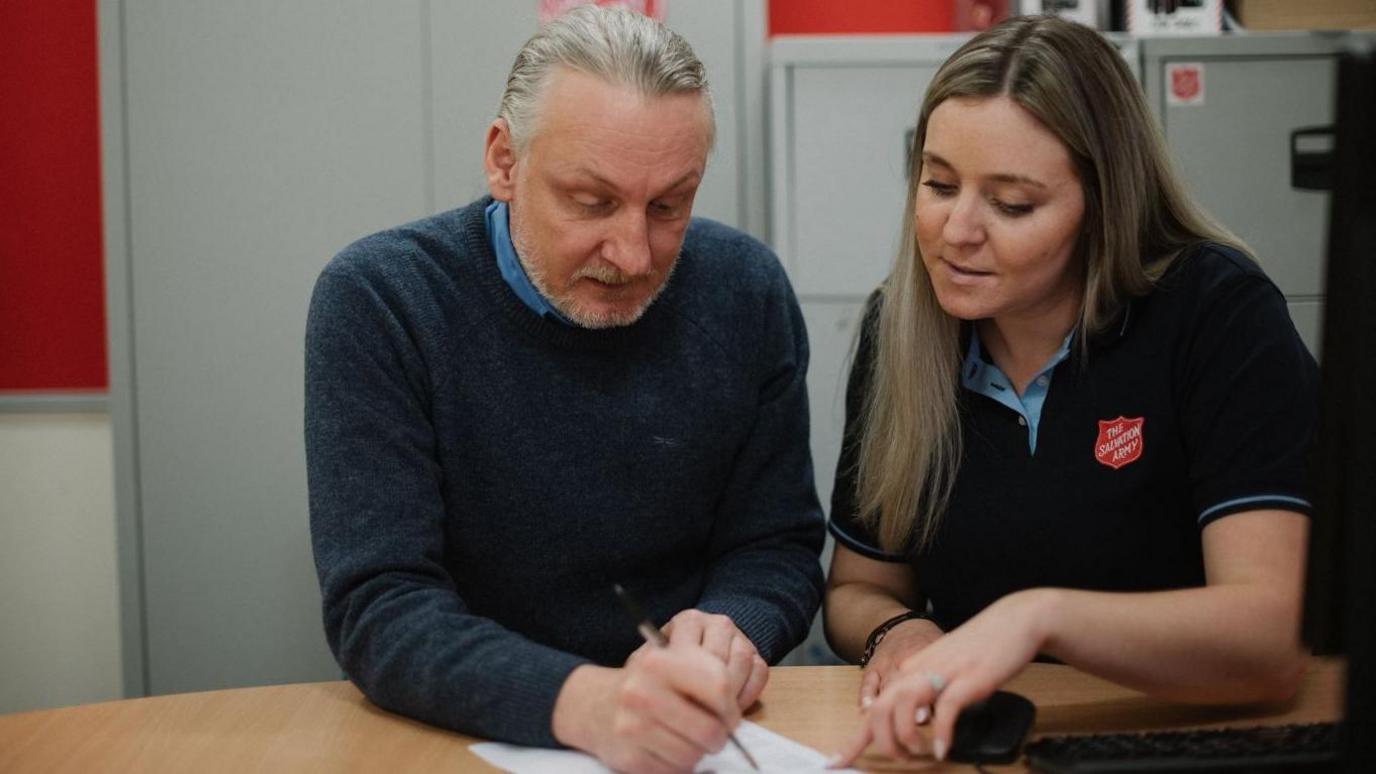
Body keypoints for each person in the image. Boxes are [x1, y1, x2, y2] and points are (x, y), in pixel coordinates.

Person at [303, 6, 824, 772]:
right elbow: (380, 603)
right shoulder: (384, 300)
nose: (634, 252)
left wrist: (733, 625)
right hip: (465, 735)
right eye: (592, 201)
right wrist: (588, 702)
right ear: (503, 161)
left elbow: (776, 543)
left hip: (700, 729)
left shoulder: (745, 290)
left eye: (670, 205)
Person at [824, 15, 1317, 767]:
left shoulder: (1218, 314)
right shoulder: (901, 328)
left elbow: (1270, 638)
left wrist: (1039, 619)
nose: (957, 230)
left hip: (1187, 739)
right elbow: (858, 589)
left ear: (1104, 204)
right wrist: (898, 631)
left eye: (1012, 204)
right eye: (938, 184)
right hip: (990, 744)